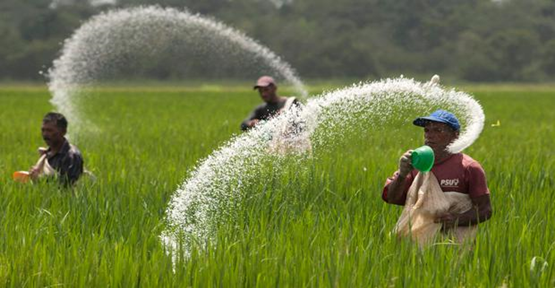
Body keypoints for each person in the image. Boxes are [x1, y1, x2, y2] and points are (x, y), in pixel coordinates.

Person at [382, 110, 492, 232]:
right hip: (417, 243)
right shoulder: (415, 164)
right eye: (427, 130)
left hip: (455, 244)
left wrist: (456, 219)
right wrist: (402, 175)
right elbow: (392, 198)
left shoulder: (469, 167)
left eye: (438, 130)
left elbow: (485, 210)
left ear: (455, 135)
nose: (429, 135)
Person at [29, 112, 84, 186]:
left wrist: (40, 180)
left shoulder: (71, 155)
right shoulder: (46, 154)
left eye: (49, 130)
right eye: (43, 130)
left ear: (63, 132)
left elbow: (69, 184)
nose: (45, 134)